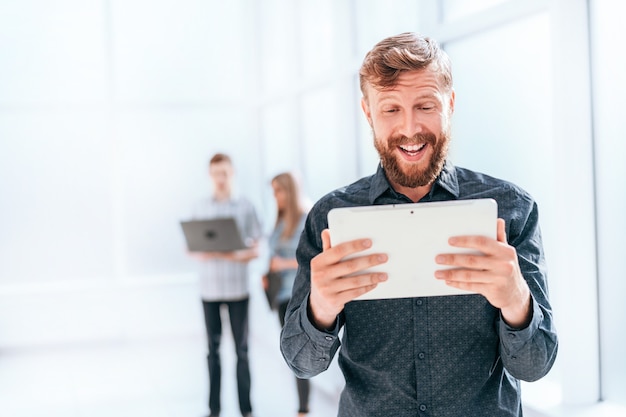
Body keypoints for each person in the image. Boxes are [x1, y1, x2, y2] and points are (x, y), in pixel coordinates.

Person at [279, 32, 558, 417]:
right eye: (391, 109)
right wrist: (320, 309)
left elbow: (535, 365)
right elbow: (301, 362)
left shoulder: (512, 209)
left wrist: (516, 302)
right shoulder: (330, 218)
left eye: (425, 106)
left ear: (451, 104)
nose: (410, 128)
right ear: (368, 113)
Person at [188, 153, 262, 417]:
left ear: (232, 174)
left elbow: (256, 249)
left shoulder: (245, 206)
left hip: (237, 290)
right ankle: (214, 409)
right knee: (212, 350)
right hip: (209, 290)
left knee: (242, 351)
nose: (220, 179)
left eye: (225, 173)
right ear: (210, 175)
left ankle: (246, 409)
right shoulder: (200, 207)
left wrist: (233, 254)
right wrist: (208, 252)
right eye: (215, 173)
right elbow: (191, 249)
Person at [262, 172, 310, 416]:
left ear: (289, 191)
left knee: (300, 354)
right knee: (291, 354)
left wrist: (281, 264)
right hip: (280, 295)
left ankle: (303, 409)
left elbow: (312, 260)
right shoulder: (280, 220)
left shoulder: (305, 219)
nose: (275, 197)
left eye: (278, 191)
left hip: (298, 296)